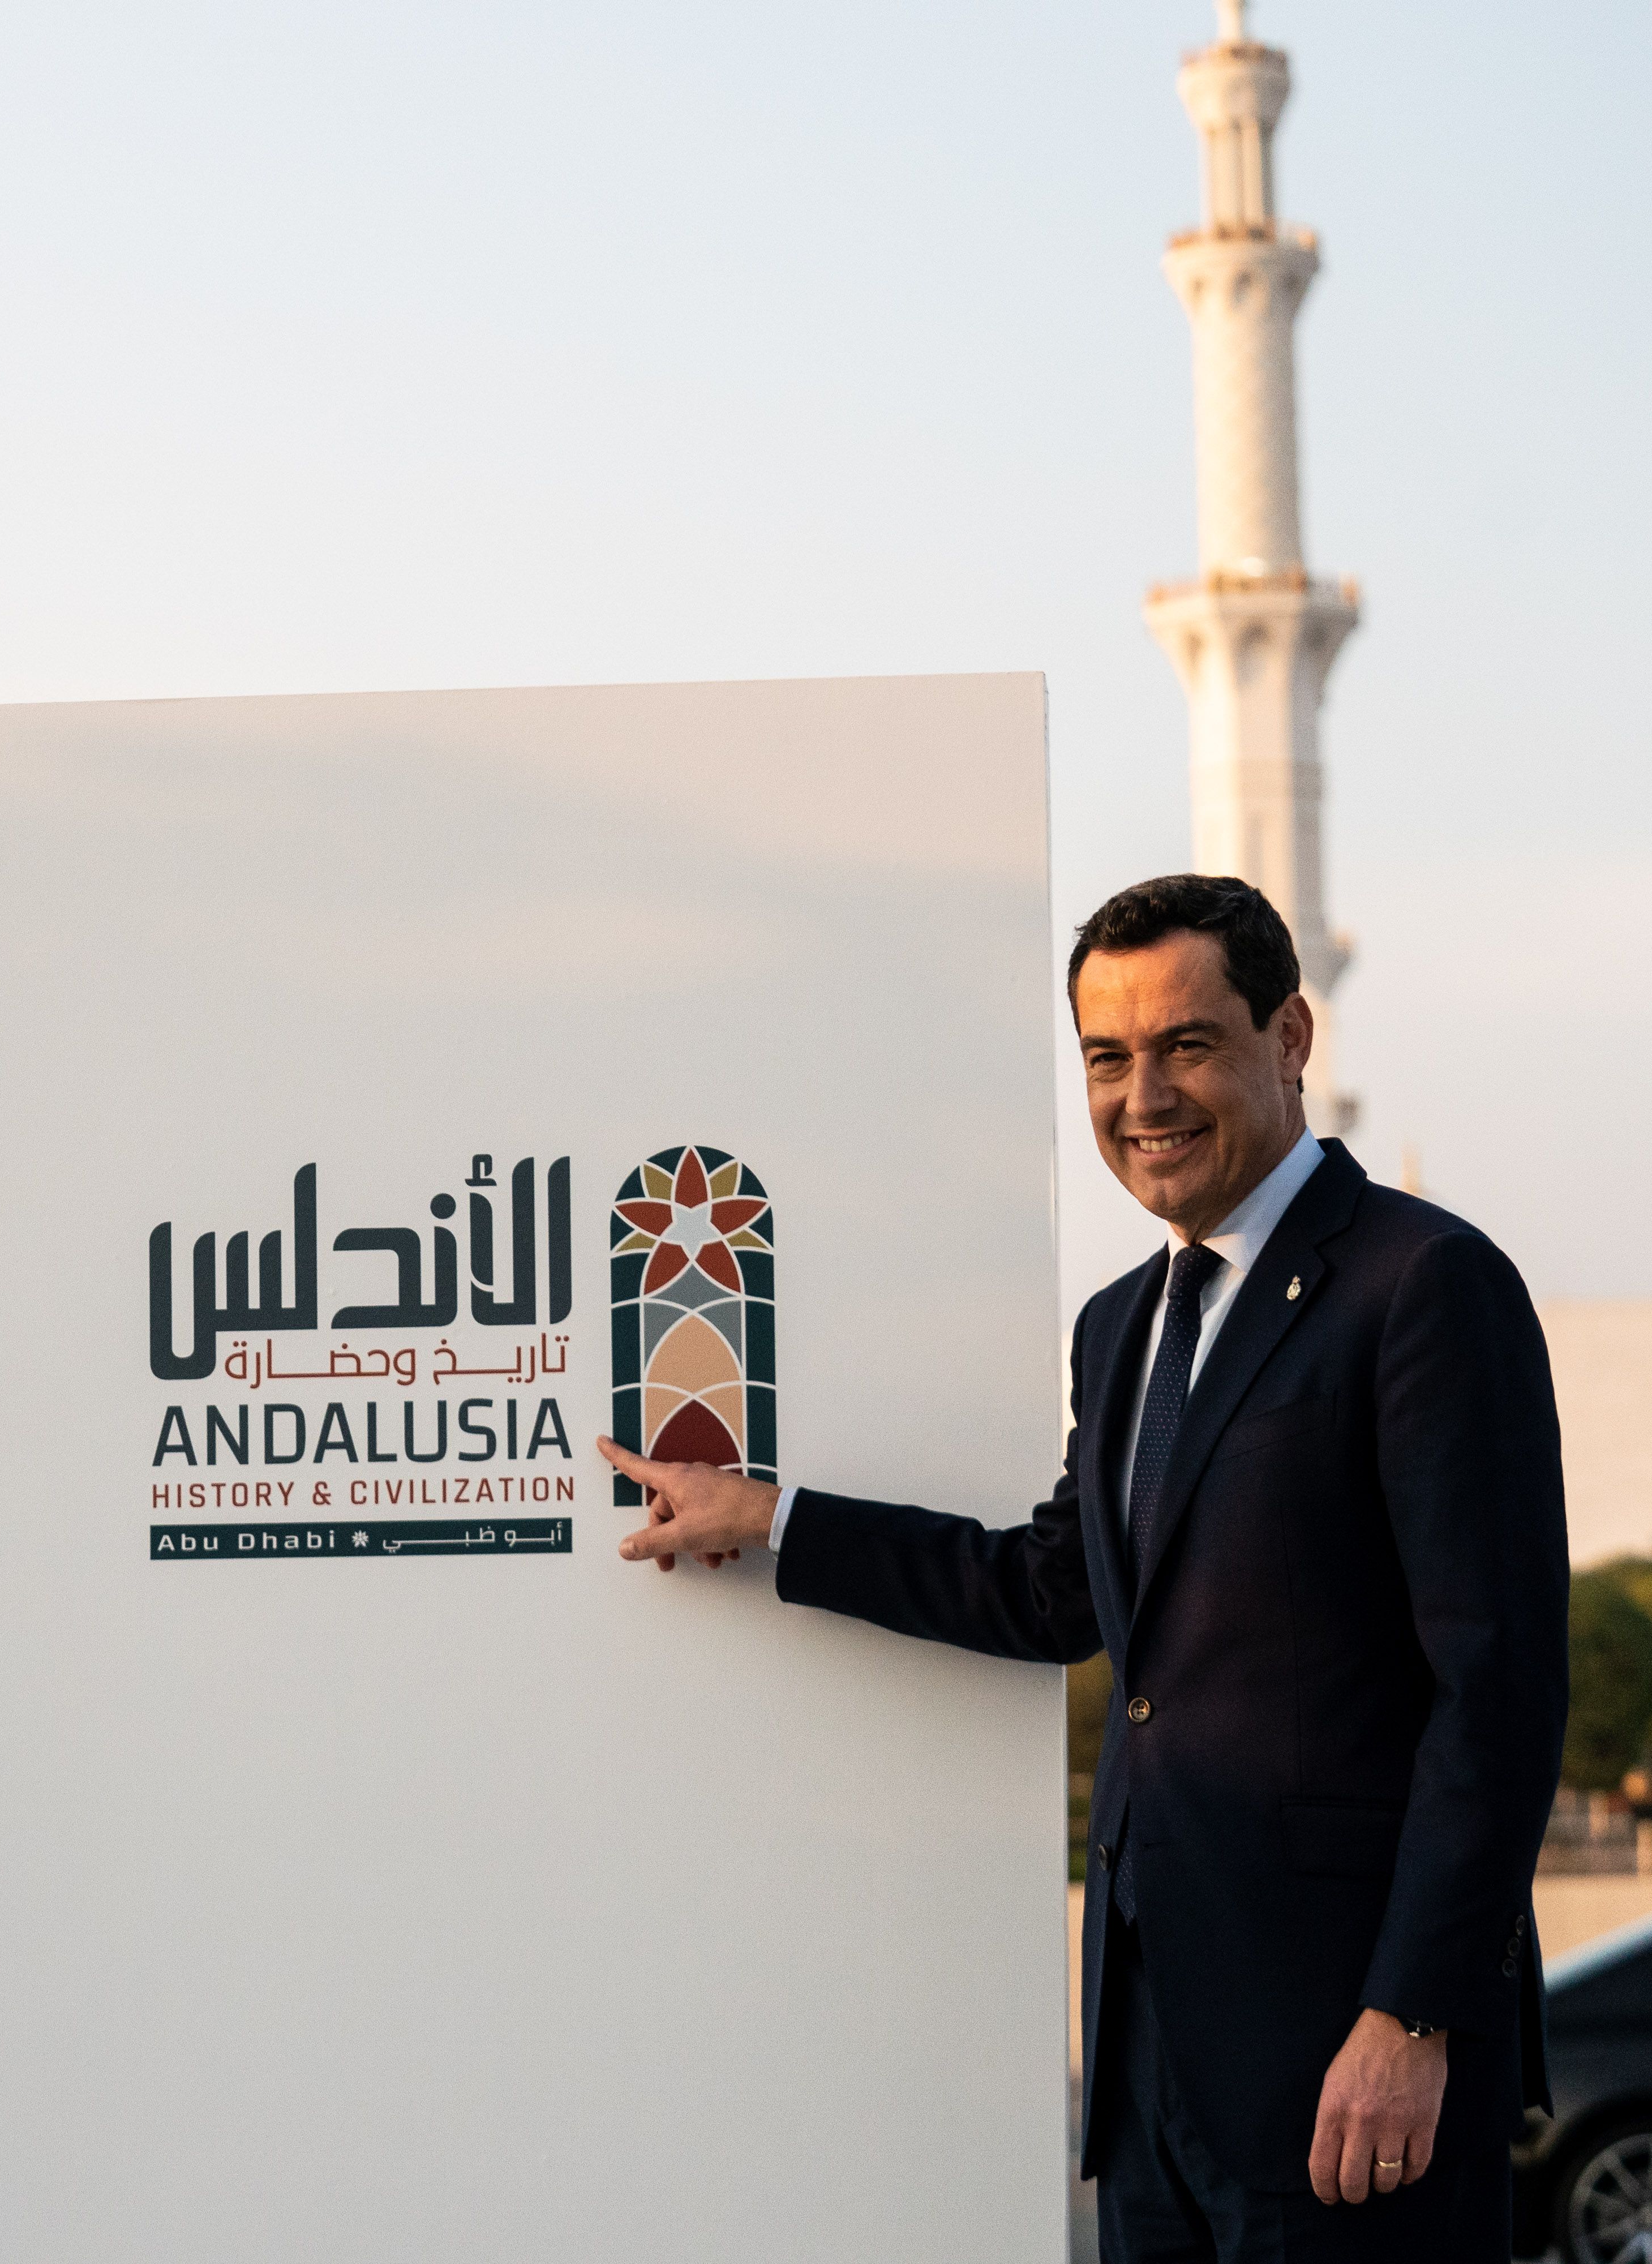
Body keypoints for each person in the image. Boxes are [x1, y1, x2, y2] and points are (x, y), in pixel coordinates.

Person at [598, 873, 1565, 2263]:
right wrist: (774, 1515)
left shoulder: (1423, 1285)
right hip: (1155, 2068)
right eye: (1107, 1057)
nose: (1143, 1096)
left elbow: (1502, 1687)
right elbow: (1055, 1591)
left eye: (1187, 1044)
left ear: (1290, 1036)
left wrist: (1414, 2012)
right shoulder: (1124, 1326)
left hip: (1354, 2067)